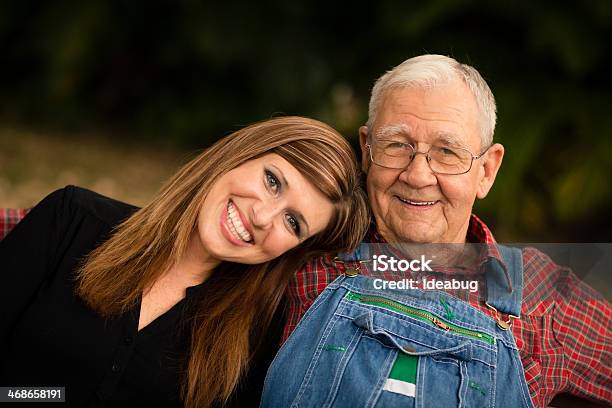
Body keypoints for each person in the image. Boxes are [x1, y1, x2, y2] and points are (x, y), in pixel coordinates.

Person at [262, 56, 611, 407]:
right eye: (397, 145)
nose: (417, 176)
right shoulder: (307, 248)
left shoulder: (543, 299)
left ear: (486, 171)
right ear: (367, 151)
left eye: (446, 152)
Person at [0, 116, 370, 408]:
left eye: (293, 223)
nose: (262, 217)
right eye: (273, 181)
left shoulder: (254, 343)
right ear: (239, 154)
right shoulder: (73, 219)